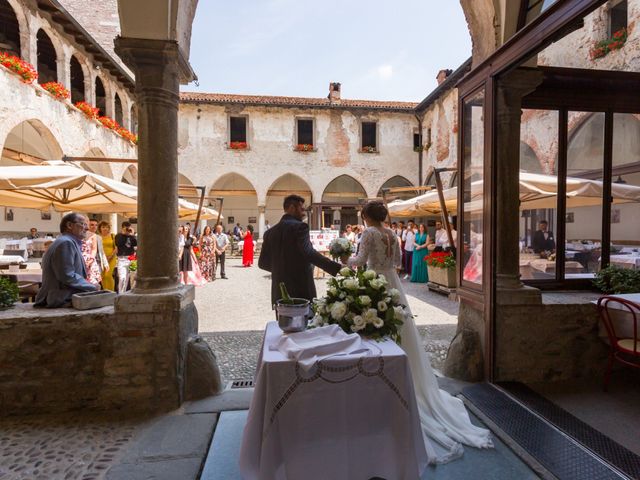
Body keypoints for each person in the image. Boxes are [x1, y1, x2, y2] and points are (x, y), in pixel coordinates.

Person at [347, 201, 492, 464]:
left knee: (372, 328)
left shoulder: (368, 233)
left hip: (373, 281)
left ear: (366, 216)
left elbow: (360, 260)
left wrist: (346, 255)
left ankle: (376, 377)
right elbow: (396, 261)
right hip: (391, 282)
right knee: (399, 328)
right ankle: (403, 373)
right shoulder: (391, 233)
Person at [259, 194, 341, 304]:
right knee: (306, 319)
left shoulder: (269, 232)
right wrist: (335, 267)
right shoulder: (300, 227)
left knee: (283, 321)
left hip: (279, 291)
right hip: (301, 288)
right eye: (302, 209)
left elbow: (262, 263)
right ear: (292, 208)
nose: (304, 213)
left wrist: (281, 270)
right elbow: (309, 252)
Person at [34, 213, 97, 307]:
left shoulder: (66, 241)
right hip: (60, 299)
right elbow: (67, 275)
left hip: (61, 297)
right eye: (83, 224)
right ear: (69, 225)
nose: (87, 228)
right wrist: (91, 286)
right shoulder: (66, 243)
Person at [115, 221, 137, 293]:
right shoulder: (118, 235)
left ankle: (129, 293)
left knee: (132, 278)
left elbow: (136, 244)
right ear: (122, 228)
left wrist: (132, 235)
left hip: (131, 258)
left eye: (129, 227)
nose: (127, 229)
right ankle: (121, 294)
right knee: (122, 278)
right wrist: (123, 234)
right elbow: (118, 243)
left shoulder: (131, 236)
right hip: (122, 259)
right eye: (126, 228)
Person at [81, 220, 102, 287]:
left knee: (93, 282)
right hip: (80, 258)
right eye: (91, 224)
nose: (94, 227)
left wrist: (91, 259)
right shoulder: (79, 234)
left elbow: (94, 249)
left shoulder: (93, 235)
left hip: (90, 259)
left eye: (96, 225)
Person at [98, 221, 117, 291]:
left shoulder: (113, 236)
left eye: (107, 227)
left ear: (109, 228)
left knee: (108, 275)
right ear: (100, 228)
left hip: (111, 258)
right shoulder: (98, 237)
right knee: (103, 276)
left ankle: (111, 292)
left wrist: (110, 256)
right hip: (101, 258)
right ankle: (105, 292)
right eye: (103, 227)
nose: (105, 229)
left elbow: (116, 248)